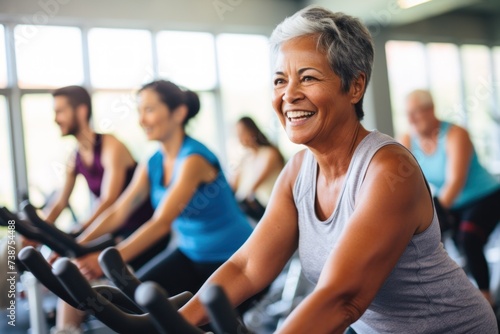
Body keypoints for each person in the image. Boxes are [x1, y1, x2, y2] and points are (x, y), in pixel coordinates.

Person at [178, 6, 498, 333]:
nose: (288, 94)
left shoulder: (388, 169)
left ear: (355, 86)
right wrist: (175, 323)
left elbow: (343, 299)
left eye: (308, 77)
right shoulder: (298, 171)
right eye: (279, 80)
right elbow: (246, 268)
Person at [69, 80, 255, 330]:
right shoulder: (153, 162)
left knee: (198, 325)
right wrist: (78, 246)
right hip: (190, 253)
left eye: (149, 110)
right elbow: (119, 210)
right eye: (139, 111)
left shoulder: (194, 159)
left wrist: (107, 260)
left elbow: (161, 223)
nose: (141, 120)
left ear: (178, 113)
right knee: (133, 302)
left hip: (232, 258)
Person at [45, 86, 168, 333]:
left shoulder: (110, 145)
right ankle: (66, 329)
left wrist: (76, 239)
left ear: (81, 111)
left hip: (138, 236)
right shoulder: (76, 156)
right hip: (112, 234)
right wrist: (37, 232)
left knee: (75, 268)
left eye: (60, 111)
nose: (55, 118)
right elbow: (59, 202)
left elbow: (109, 201)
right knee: (71, 272)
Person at [400, 89, 500, 306]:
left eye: (416, 112)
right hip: (453, 205)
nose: (411, 119)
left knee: (469, 239)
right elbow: (404, 184)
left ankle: (486, 302)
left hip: (485, 197)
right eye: (408, 114)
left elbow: (455, 182)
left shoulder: (455, 134)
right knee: (431, 243)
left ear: (431, 110)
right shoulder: (408, 139)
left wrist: (434, 215)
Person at [231, 116, 284, 221]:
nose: (240, 138)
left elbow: (254, 185)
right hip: (257, 206)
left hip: (271, 206)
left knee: (241, 204)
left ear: (252, 130)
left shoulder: (270, 153)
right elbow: (233, 186)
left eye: (242, 133)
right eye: (237, 135)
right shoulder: (246, 157)